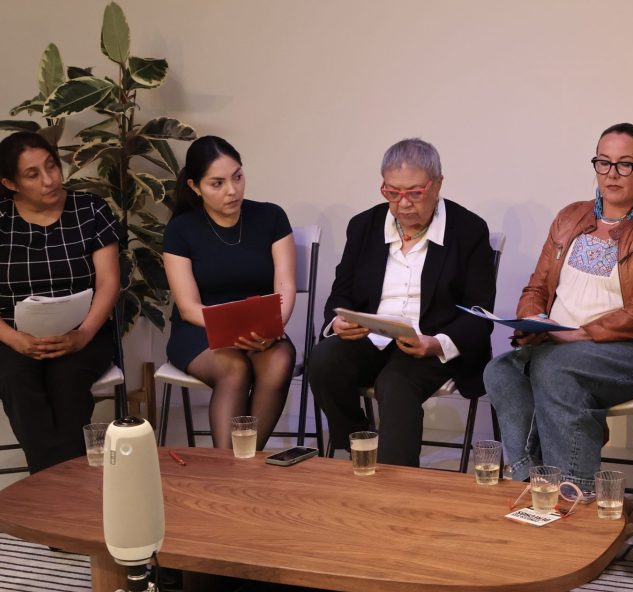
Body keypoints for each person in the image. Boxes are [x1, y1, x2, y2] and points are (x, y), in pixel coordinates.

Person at [484, 123, 633, 493]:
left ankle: (574, 493)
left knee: (555, 369)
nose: (612, 174)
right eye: (603, 162)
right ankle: (532, 480)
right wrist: (533, 319)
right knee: (500, 371)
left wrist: (580, 334)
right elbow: (536, 286)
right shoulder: (570, 217)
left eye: (625, 164)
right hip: (559, 347)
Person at [309, 138, 495, 466]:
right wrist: (338, 322)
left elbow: (479, 312)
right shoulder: (364, 226)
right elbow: (341, 292)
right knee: (323, 360)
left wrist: (437, 344)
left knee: (394, 384)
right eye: (392, 193)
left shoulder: (469, 230)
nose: (403, 204)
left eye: (414, 192)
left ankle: (398, 487)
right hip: (371, 337)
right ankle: (360, 445)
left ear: (437, 184)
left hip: (428, 343)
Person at [0, 131, 121, 472]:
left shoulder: (91, 209)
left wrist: (85, 333)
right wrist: (14, 339)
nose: (49, 180)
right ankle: (65, 487)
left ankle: (48, 493)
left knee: (68, 381)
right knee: (19, 382)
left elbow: (108, 282)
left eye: (52, 166)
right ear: (11, 183)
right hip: (6, 337)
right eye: (33, 174)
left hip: (82, 333)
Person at [163, 136, 296, 450]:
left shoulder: (271, 217)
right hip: (200, 329)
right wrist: (230, 331)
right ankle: (227, 469)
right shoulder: (181, 229)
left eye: (237, 176)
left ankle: (245, 463)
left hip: (259, 328)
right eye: (217, 183)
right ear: (195, 187)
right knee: (234, 369)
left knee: (279, 360)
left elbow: (285, 285)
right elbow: (187, 306)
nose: (232, 190)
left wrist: (273, 326)